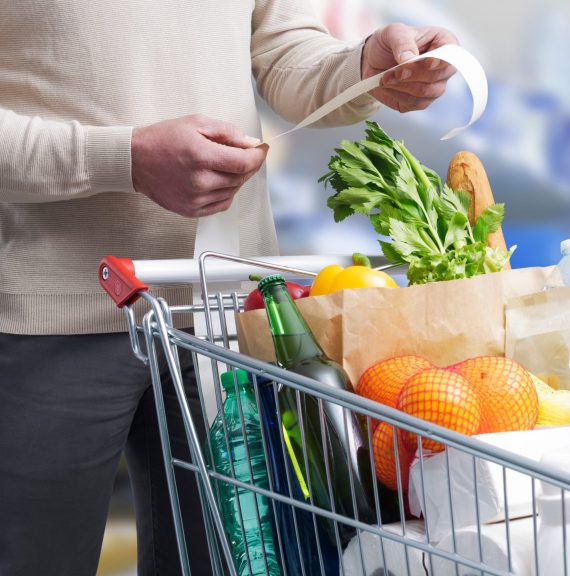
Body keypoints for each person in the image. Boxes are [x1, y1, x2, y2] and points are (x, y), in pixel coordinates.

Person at [0, 1, 459, 574]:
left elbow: (282, 49)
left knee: (227, 562)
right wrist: (124, 159)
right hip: (50, 323)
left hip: (226, 314)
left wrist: (366, 64)